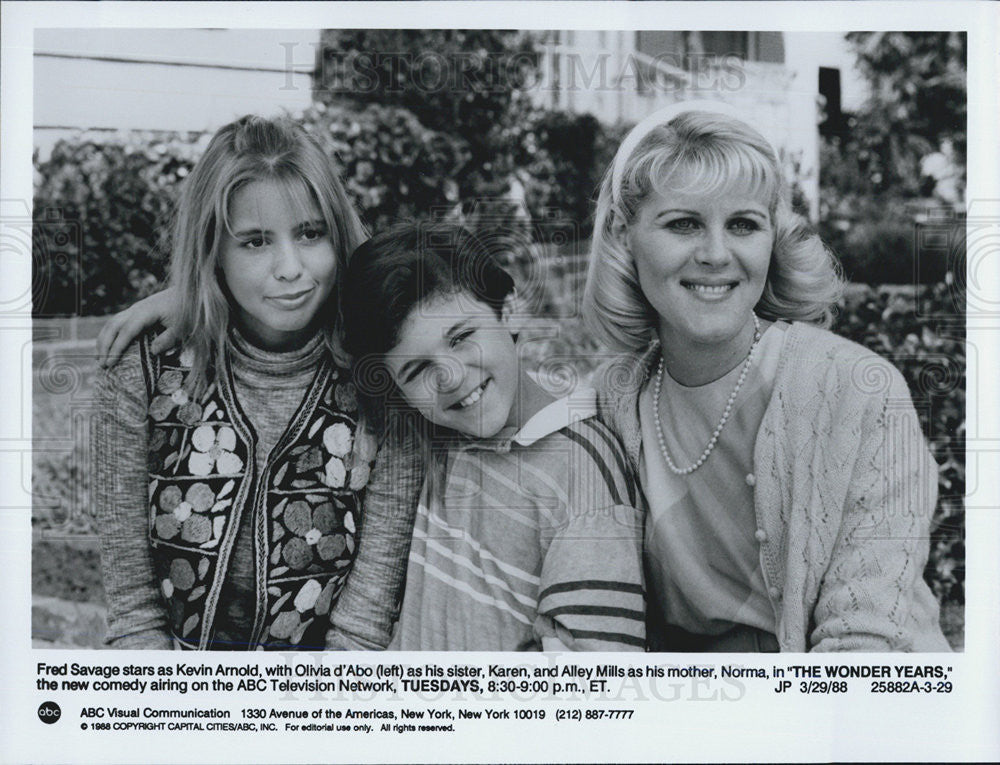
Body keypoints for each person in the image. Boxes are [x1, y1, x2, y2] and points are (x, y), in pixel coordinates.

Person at [583, 102, 950, 652]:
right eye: (683, 223)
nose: (715, 254)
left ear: (771, 242)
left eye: (743, 225)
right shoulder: (614, 399)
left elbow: (861, 643)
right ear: (625, 236)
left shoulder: (858, 389)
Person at [94, 114, 423, 650]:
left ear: (337, 236)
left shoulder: (384, 374)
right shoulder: (144, 367)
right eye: (254, 242)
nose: (290, 267)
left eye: (311, 233)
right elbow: (134, 612)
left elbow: (364, 624)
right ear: (212, 251)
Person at [337, 221, 645, 651]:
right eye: (417, 369)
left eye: (462, 337)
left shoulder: (583, 477)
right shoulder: (437, 442)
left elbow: (599, 684)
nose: (452, 377)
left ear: (509, 310)